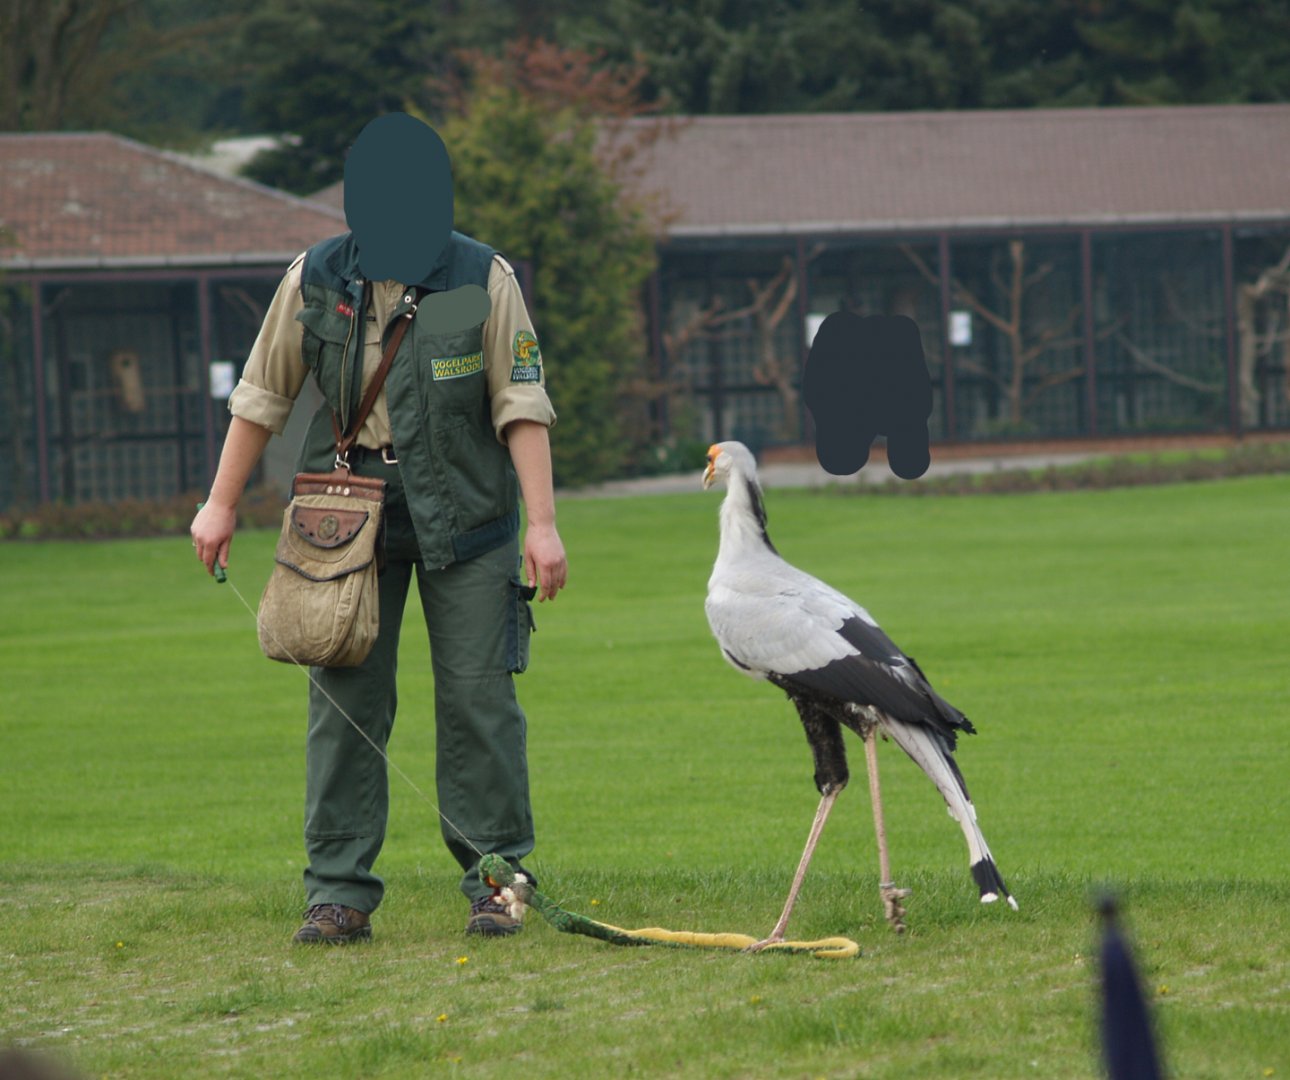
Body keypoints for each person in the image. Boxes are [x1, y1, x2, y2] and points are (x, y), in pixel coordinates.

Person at [190, 113, 566, 943]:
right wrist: (219, 504)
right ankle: (338, 894)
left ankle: (496, 882)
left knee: (479, 701)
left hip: (470, 522)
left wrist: (542, 525)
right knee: (345, 705)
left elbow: (522, 404)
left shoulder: (481, 277)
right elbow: (262, 396)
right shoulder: (316, 278)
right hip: (347, 522)